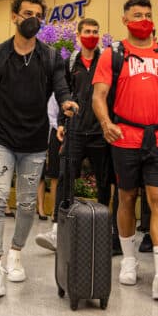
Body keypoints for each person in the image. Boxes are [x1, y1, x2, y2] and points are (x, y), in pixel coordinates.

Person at [0, 0, 77, 298]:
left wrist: (67, 104)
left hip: (34, 142)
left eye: (38, 16)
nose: (33, 20)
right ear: (14, 16)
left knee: (28, 204)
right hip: (0, 137)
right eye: (27, 14)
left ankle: (16, 252)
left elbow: (61, 89)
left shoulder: (52, 57)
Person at [92, 0, 158, 300]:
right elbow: (99, 95)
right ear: (124, 20)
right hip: (126, 137)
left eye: (148, 14)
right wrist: (106, 123)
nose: (144, 19)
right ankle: (129, 261)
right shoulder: (113, 54)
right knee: (127, 197)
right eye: (137, 15)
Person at [35, 18, 117, 253]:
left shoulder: (107, 61)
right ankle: (58, 231)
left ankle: (102, 231)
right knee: (65, 179)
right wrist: (61, 122)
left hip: (101, 133)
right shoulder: (70, 62)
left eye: (95, 31)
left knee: (104, 184)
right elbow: (64, 94)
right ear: (79, 35)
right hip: (75, 131)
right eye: (88, 31)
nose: (92, 34)